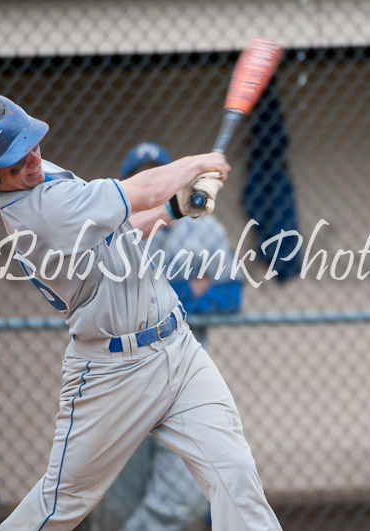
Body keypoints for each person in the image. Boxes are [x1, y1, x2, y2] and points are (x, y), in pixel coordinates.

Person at [0, 94, 282, 531]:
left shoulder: (36, 179)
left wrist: (174, 209)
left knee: (235, 473)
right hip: (113, 373)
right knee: (59, 506)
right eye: (15, 161)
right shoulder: (39, 210)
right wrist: (200, 162)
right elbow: (140, 190)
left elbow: (118, 234)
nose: (32, 160)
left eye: (30, 145)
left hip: (179, 350)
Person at [91, 142, 243, 531]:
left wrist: (162, 297)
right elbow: (112, 304)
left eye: (159, 173)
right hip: (122, 380)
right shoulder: (110, 228)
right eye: (143, 176)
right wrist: (189, 289)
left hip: (181, 380)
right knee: (119, 501)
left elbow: (229, 296)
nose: (154, 185)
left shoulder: (204, 227)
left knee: (183, 498)